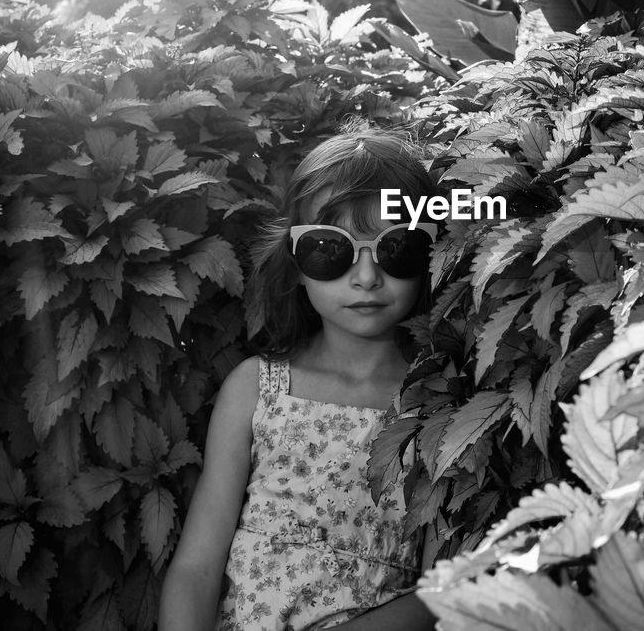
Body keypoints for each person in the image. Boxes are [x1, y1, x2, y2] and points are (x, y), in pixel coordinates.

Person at [159, 125, 441, 631]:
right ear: (294, 260)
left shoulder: (442, 404)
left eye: (396, 247)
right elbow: (197, 566)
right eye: (330, 249)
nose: (366, 276)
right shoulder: (256, 389)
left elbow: (442, 594)